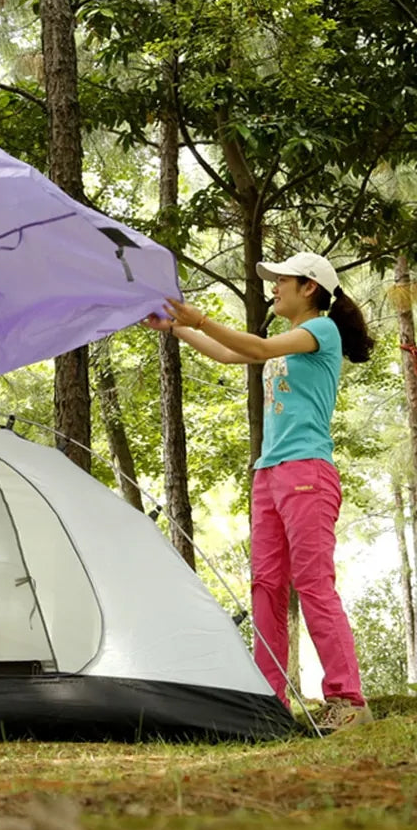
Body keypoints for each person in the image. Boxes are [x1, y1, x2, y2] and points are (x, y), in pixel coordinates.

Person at [146, 251, 375, 733]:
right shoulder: (285, 341)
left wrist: (199, 317)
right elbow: (233, 353)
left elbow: (250, 350)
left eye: (281, 281)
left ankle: (347, 700)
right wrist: (176, 329)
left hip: (307, 469)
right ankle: (269, 704)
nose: (274, 288)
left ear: (308, 287)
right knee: (265, 587)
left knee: (312, 583)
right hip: (269, 473)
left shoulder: (322, 330)